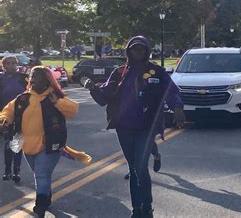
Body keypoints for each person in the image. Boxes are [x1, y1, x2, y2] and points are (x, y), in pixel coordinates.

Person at [85, 35, 185, 218]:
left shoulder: (156, 72)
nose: (137, 52)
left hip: (146, 126)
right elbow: (104, 96)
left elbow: (170, 91)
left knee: (140, 167)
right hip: (124, 127)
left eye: (141, 49)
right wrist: (92, 87)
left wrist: (177, 108)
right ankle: (136, 208)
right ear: (128, 51)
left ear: (146, 51)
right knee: (132, 168)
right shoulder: (120, 72)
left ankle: (147, 207)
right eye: (134, 49)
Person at [0, 66, 79, 217]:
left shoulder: (54, 96)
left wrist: (58, 103)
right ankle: (46, 197)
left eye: (38, 76)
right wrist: (4, 121)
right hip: (27, 146)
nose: (34, 79)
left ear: (47, 79)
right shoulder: (23, 98)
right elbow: (7, 112)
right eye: (32, 76)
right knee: (41, 174)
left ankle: (40, 205)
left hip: (50, 144)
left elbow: (73, 110)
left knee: (41, 175)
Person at [0, 56, 28, 182]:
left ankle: (16, 171)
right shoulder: (1, 78)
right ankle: (7, 171)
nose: (11, 66)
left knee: (17, 144)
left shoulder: (23, 78)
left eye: (13, 63)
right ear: (3, 65)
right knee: (7, 144)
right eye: (8, 63)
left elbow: (30, 94)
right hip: (5, 115)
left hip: (21, 114)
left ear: (17, 64)